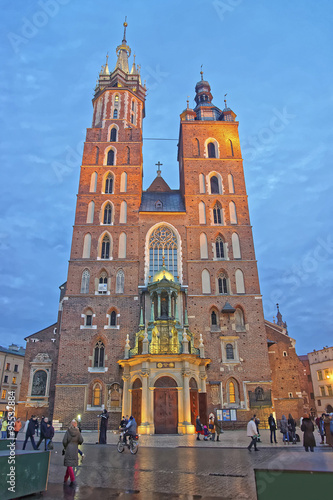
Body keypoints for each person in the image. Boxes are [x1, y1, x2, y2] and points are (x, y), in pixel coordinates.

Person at [63, 419, 84, 486]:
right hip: (75, 448)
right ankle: (65, 478)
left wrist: (65, 447)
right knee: (70, 464)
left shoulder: (68, 431)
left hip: (69, 448)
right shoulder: (78, 432)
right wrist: (77, 443)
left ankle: (73, 480)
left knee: (69, 464)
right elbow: (81, 440)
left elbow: (64, 441)